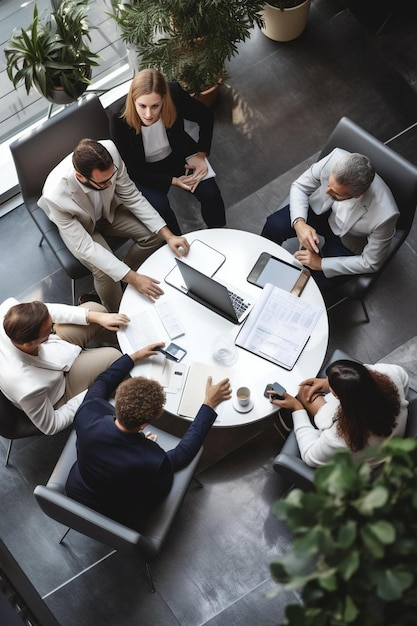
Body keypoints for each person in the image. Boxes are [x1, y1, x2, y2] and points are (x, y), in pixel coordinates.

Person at [65, 346, 232, 529]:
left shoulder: (87, 413)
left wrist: (133, 357)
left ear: (118, 401)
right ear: (144, 425)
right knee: (163, 478)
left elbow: (102, 382)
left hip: (79, 487)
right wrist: (208, 404)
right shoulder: (152, 458)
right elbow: (183, 454)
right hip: (122, 510)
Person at [38, 138, 190, 312]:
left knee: (155, 235)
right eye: (103, 182)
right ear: (80, 177)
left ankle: (124, 274)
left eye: (112, 176)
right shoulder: (55, 196)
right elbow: (85, 247)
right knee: (104, 272)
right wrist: (133, 278)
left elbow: (131, 195)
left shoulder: (110, 150)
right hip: (82, 228)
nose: (110, 184)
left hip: (109, 210)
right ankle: (118, 314)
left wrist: (169, 236)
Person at [261, 149, 399, 292]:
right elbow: (300, 186)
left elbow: (371, 262)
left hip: (347, 238)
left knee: (316, 284)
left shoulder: (386, 216)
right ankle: (261, 259)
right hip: (320, 210)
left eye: (335, 193)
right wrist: (300, 223)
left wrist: (321, 263)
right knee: (275, 225)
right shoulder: (335, 158)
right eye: (328, 184)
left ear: (356, 195)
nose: (326, 191)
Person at [108, 68, 226, 235]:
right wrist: (173, 181)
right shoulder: (117, 116)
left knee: (211, 193)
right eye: (142, 106)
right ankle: (177, 243)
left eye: (155, 106)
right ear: (133, 100)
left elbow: (205, 116)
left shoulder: (174, 93)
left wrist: (201, 154)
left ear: (164, 99)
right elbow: (131, 168)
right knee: (161, 209)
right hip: (144, 170)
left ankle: (221, 233)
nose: (148, 114)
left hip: (177, 155)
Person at [0, 297, 128, 435]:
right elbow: (51, 426)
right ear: (29, 343)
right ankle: (130, 404)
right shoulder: (27, 388)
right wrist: (97, 388)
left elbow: (48, 311)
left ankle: (125, 339)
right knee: (114, 359)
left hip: (54, 350)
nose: (53, 326)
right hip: (60, 388)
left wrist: (97, 317)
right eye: (49, 330)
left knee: (96, 310)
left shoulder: (9, 310)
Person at [268, 359, 409, 468]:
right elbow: (405, 379)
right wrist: (334, 383)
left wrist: (297, 408)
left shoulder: (340, 438)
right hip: (386, 438)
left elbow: (309, 457)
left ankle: (300, 419)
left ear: (340, 398)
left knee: (305, 391)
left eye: (333, 389)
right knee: (308, 392)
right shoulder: (389, 375)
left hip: (363, 461)